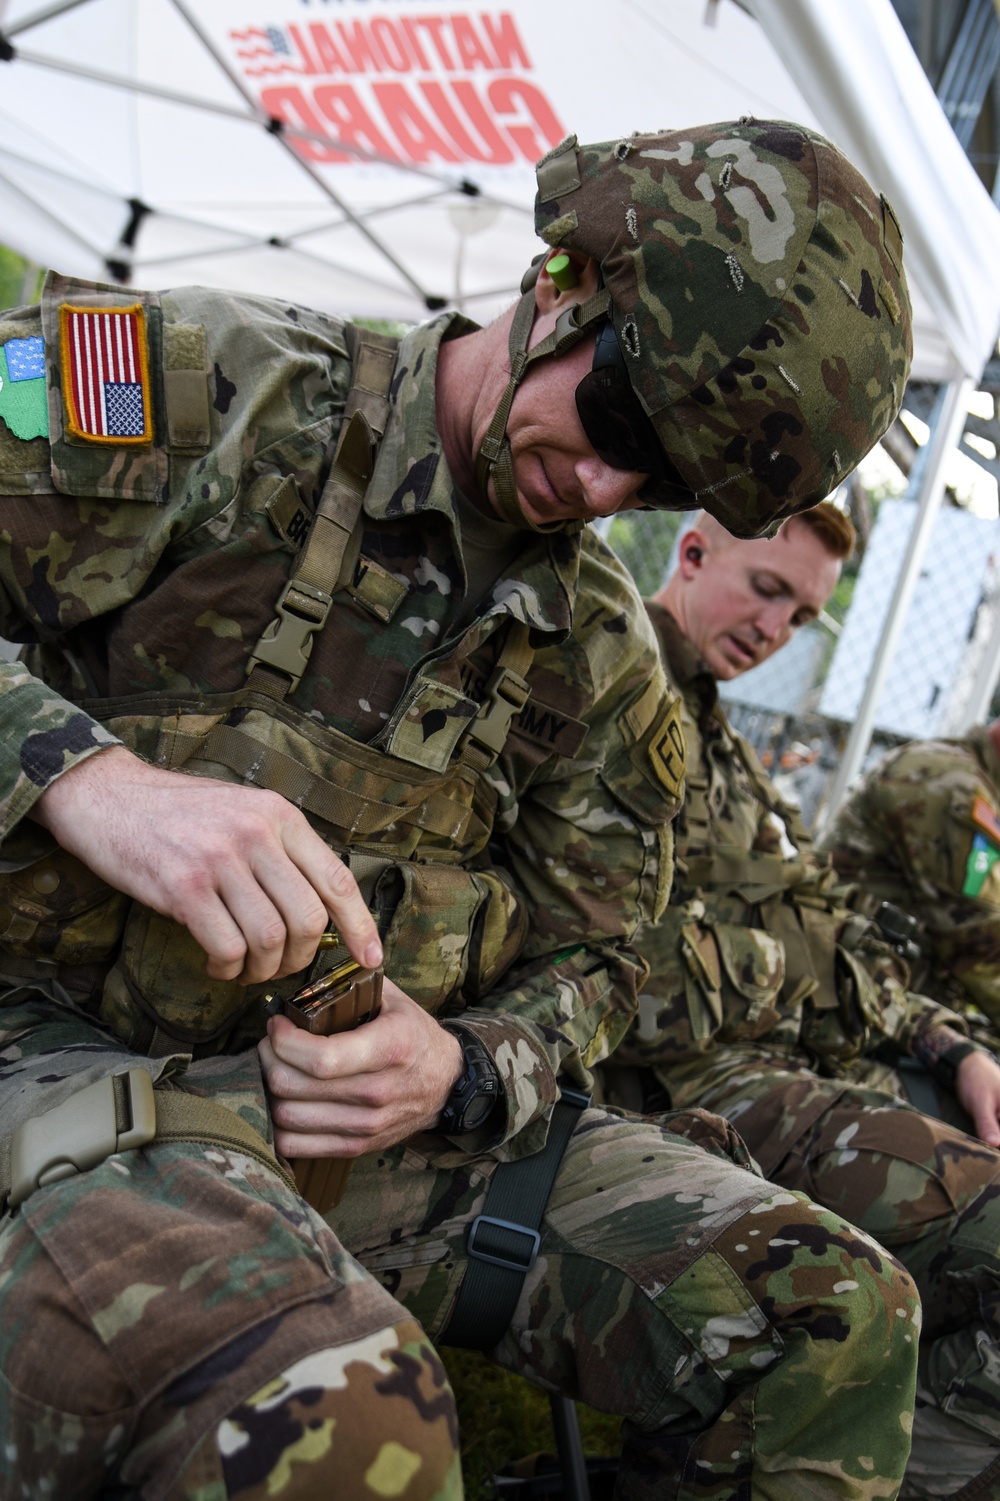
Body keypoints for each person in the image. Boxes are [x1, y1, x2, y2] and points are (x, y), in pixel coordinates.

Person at [0, 121, 919, 1499]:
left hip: (371, 1140)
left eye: (661, 479)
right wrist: (83, 778)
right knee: (342, 1429)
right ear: (562, 281)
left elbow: (613, 955)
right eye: (617, 422)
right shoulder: (209, 394)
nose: (600, 488)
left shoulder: (595, 652)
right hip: (62, 1059)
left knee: (834, 1315)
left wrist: (475, 1063)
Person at [603, 506, 1000, 1499]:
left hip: (795, 1066)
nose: (774, 629)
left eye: (803, 614)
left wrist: (953, 1047)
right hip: (694, 1084)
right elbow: (611, 963)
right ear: (690, 552)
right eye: (767, 588)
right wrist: (791, 968)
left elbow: (826, 927)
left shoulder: (713, 730)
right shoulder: (606, 685)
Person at [823, 723, 1000, 1029]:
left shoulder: (974, 778)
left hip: (886, 997)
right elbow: (977, 947)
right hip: (849, 998)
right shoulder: (951, 783)